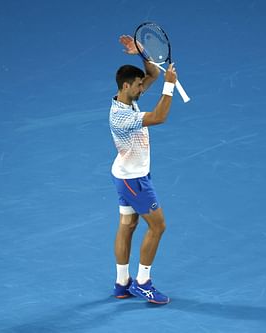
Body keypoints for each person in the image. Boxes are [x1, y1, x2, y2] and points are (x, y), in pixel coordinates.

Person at [109, 35, 177, 305]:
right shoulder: (122, 116)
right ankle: (143, 283)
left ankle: (121, 283)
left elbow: (150, 72)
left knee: (128, 225)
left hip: (124, 175)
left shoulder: (126, 98)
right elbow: (159, 117)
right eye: (139, 86)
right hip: (134, 180)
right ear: (127, 86)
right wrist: (169, 86)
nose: (142, 88)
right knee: (158, 227)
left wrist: (141, 51)